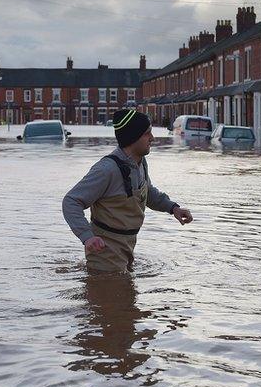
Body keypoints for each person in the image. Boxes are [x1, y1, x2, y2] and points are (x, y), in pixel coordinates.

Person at [62, 109, 193, 273]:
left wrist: (173, 208)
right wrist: (87, 237)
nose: (152, 138)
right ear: (133, 137)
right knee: (108, 296)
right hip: (104, 252)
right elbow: (71, 201)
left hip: (128, 245)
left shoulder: (141, 162)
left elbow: (147, 192)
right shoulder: (106, 169)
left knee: (126, 296)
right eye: (147, 133)